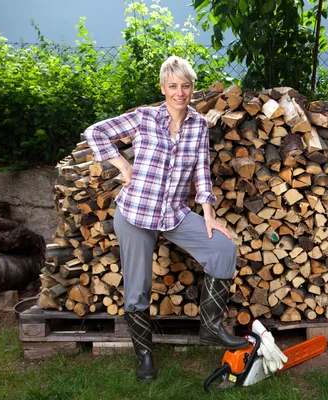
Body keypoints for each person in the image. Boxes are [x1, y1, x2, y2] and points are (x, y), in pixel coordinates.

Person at [84, 55, 249, 383]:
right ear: (163, 88)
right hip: (135, 214)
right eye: (173, 86)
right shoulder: (144, 118)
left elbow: (202, 172)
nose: (180, 92)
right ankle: (144, 357)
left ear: (192, 88)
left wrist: (210, 217)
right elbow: (96, 132)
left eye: (185, 86)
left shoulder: (198, 125)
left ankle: (211, 328)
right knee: (137, 291)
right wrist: (123, 166)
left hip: (173, 214)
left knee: (223, 249)